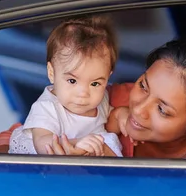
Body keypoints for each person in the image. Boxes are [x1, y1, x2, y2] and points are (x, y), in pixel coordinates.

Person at [0, 33, 186, 161]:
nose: (138, 110)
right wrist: (51, 152)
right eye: (144, 85)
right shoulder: (112, 97)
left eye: (163, 110)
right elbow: (5, 141)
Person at [8, 15, 123, 156]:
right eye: (72, 81)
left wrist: (121, 115)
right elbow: (42, 142)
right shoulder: (46, 107)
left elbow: (110, 117)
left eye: (95, 83)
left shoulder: (101, 99)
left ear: (108, 77)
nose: (83, 93)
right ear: (51, 73)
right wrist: (75, 143)